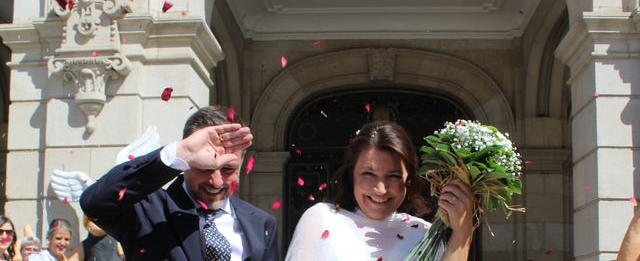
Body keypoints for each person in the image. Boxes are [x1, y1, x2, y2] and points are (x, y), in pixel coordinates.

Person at [80, 105, 278, 260]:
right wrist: (180, 153)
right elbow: (94, 203)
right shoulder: (148, 210)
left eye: (228, 169)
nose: (216, 181)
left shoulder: (261, 223)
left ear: (242, 163)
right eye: (205, 168)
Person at [286, 122, 475, 260]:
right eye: (369, 174)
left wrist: (463, 231)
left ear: (408, 180)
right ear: (351, 174)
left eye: (393, 176)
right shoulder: (320, 218)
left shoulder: (425, 234)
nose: (381, 189)